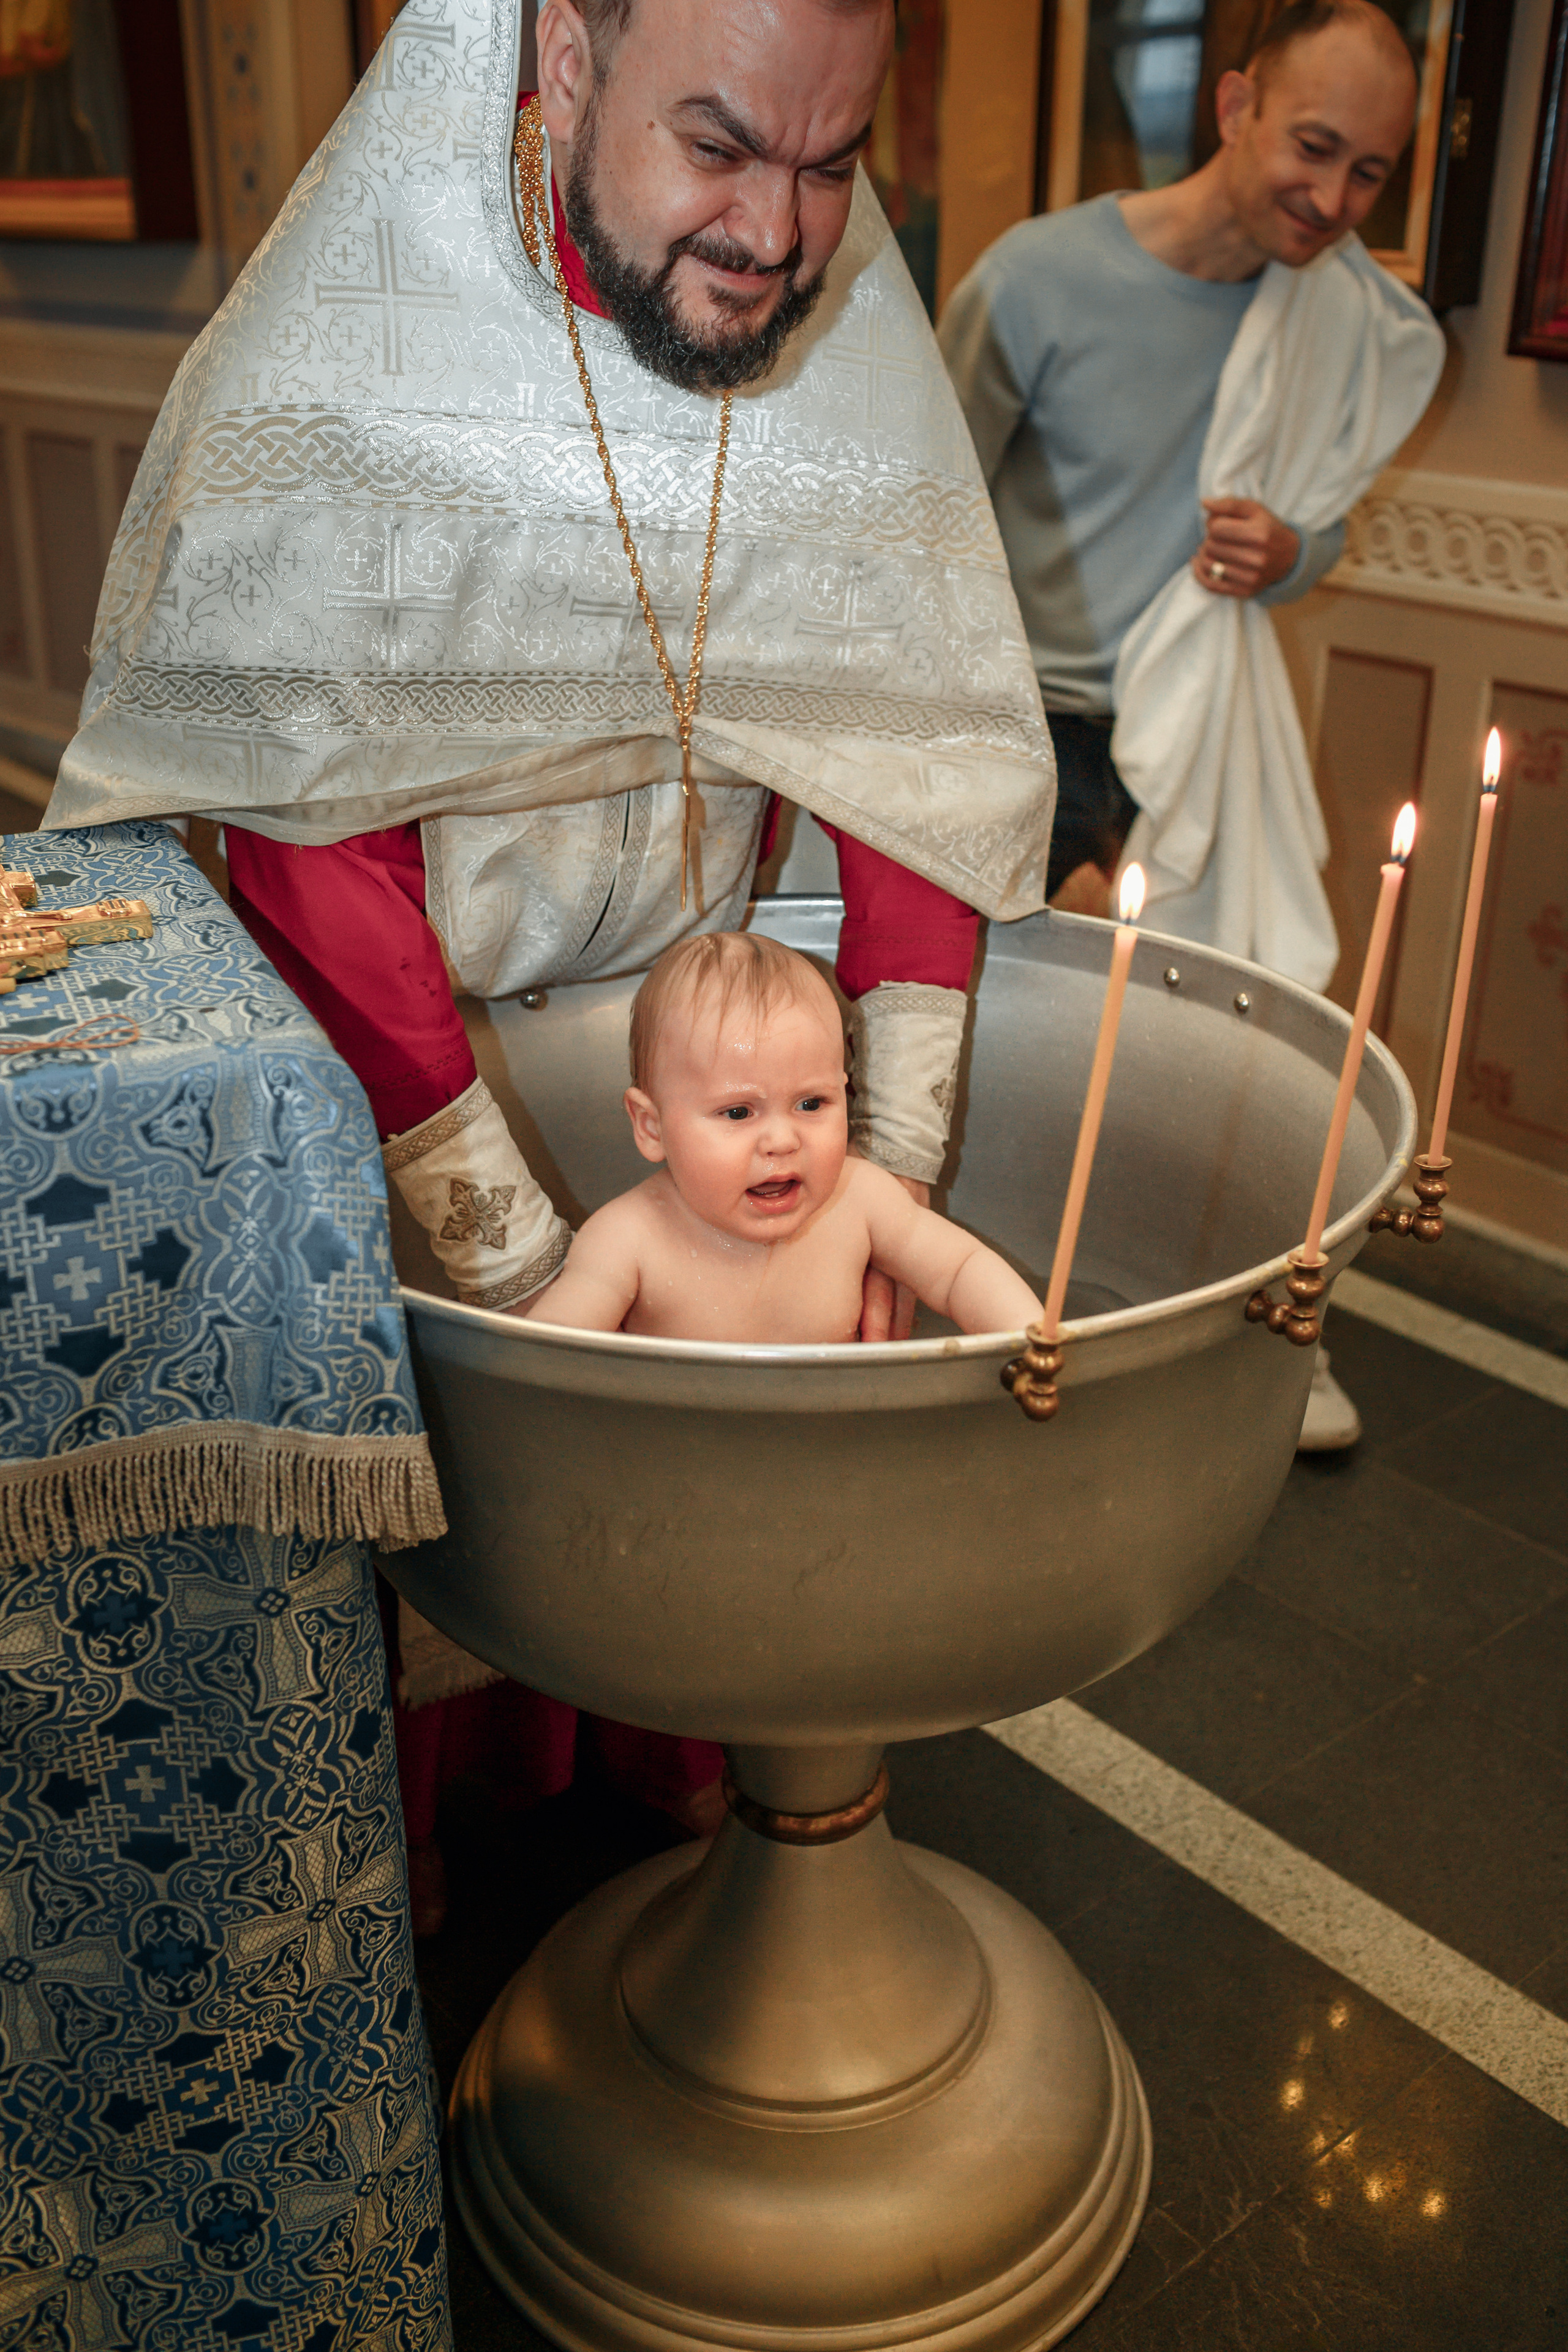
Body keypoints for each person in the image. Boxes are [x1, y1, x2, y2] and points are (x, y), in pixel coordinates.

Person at [43, 0, 1055, 1922]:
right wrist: (513, 1256)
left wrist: (883, 1173)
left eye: (834, 164)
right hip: (426, 1057)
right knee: (469, 1506)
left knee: (719, 1528)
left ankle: (692, 1764)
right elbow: (304, 822)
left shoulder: (839, 345)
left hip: (717, 1042)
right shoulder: (351, 365)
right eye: (721, 146)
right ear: (564, 66)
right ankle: (435, 1846)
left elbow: (908, 753)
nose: (778, 231)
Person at [939, 0, 1444, 1450]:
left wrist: (1291, 555)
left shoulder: (1335, 315)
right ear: (1230, 104)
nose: (1334, 201)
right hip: (1015, 723)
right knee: (978, 1038)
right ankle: (959, 1316)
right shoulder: (1036, 279)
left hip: (1198, 717)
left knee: (1225, 1031)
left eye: (1369, 172)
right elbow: (922, 501)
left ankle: (1264, 1335)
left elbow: (1327, 517)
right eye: (1311, 148)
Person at [527, 932, 1042, 1339]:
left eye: (811, 1104)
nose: (781, 1140)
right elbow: (550, 1361)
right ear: (651, 1126)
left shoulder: (861, 1201)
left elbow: (961, 1270)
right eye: (737, 1113)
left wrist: (1029, 1337)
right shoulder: (628, 1239)